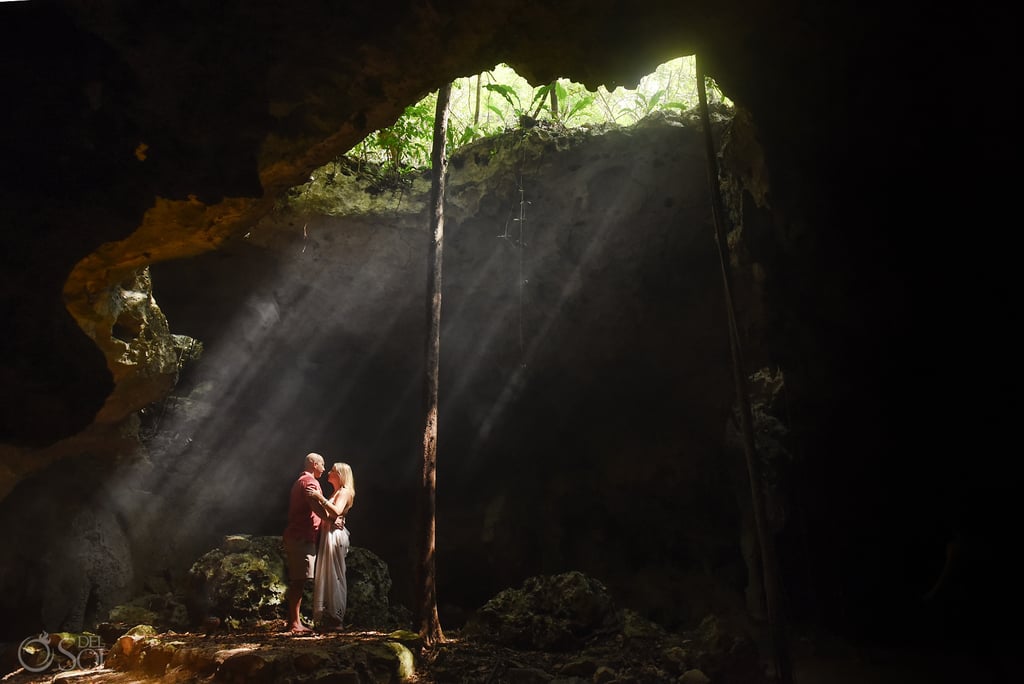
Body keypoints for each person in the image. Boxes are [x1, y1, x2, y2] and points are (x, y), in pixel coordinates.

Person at [283, 452, 329, 633]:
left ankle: (294, 621)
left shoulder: (299, 481)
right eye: (322, 465)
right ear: (313, 464)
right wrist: (331, 519)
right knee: (299, 581)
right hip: (302, 536)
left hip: (298, 536)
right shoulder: (310, 482)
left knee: (298, 580)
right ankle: (295, 623)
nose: (324, 469)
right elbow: (315, 507)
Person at [311, 462, 355, 630]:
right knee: (328, 572)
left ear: (340, 475)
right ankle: (329, 616)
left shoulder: (344, 492)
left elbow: (336, 511)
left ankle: (337, 618)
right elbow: (331, 515)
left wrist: (319, 497)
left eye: (333, 471)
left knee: (335, 573)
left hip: (335, 536)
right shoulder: (337, 492)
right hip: (329, 533)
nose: (329, 472)